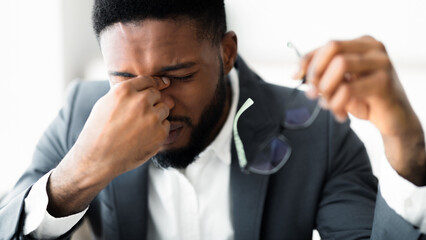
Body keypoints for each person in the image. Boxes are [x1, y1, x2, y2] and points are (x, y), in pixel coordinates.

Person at [0, 0, 425, 239]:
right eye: (124, 79)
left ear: (226, 53)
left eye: (178, 76)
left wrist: (410, 153)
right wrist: (79, 174)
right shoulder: (81, 112)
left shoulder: (320, 133)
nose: (154, 105)